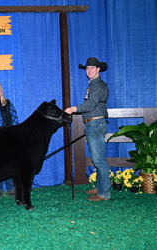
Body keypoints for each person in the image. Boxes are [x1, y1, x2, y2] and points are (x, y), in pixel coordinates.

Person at [65, 57, 110, 202]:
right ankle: (100, 187)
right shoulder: (93, 85)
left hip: (96, 123)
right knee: (96, 158)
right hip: (93, 123)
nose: (89, 70)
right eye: (87, 68)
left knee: (99, 160)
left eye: (92, 68)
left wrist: (73, 109)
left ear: (98, 69)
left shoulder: (98, 86)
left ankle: (104, 193)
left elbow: (90, 105)